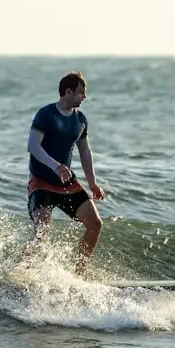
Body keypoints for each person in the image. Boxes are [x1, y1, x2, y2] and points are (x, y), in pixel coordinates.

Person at [25, 71, 106, 274]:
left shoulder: (80, 120)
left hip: (66, 184)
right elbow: (33, 146)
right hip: (41, 183)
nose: (84, 97)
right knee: (41, 234)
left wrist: (92, 183)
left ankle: (79, 275)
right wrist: (56, 166)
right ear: (68, 91)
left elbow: (85, 151)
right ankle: (20, 272)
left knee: (95, 224)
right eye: (81, 92)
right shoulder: (46, 114)